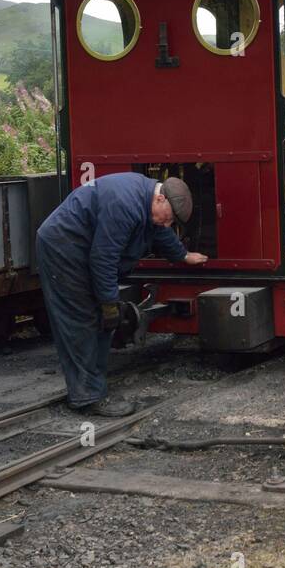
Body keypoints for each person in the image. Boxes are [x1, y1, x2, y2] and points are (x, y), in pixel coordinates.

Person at [36, 172, 208, 416]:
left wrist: (181, 255)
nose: (167, 225)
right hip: (64, 249)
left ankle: (92, 387)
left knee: (101, 319)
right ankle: (87, 398)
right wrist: (108, 303)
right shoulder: (124, 205)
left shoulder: (149, 200)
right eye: (169, 219)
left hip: (82, 248)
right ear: (161, 200)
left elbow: (158, 230)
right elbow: (103, 259)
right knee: (82, 320)